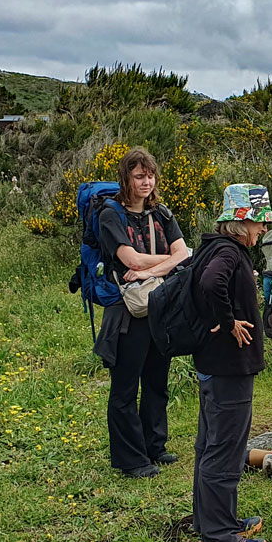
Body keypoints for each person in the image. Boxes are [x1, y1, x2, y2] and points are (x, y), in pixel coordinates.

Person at [191, 184, 272, 542]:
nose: (261, 231)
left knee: (210, 445)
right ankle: (219, 540)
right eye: (259, 223)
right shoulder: (228, 252)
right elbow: (212, 283)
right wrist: (229, 322)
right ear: (244, 222)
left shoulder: (213, 245)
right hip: (229, 367)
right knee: (225, 450)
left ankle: (213, 520)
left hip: (213, 366)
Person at [94, 147, 189, 478]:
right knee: (124, 387)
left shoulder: (161, 213)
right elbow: (130, 260)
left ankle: (154, 446)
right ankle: (131, 460)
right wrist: (166, 262)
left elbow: (182, 251)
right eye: (139, 176)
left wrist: (150, 269)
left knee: (156, 380)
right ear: (126, 178)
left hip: (161, 305)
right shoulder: (110, 215)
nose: (146, 181)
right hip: (127, 310)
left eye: (149, 175)